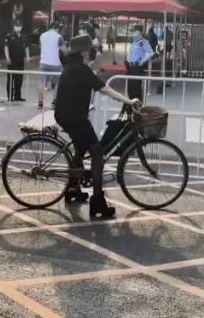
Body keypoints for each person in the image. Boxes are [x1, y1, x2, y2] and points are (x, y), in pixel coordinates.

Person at [55, 34, 140, 221]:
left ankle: (73, 189)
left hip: (65, 115)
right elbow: (105, 89)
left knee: (80, 149)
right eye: (89, 49)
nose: (91, 51)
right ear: (84, 52)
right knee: (97, 153)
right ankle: (98, 201)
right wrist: (128, 101)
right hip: (75, 118)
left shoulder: (72, 66)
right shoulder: (81, 70)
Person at [37, 23, 65, 109]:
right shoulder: (59, 37)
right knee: (58, 83)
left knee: (41, 83)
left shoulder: (42, 36)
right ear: (57, 29)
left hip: (43, 63)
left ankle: (40, 103)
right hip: (55, 64)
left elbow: (42, 46)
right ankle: (54, 102)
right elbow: (65, 50)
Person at [125, 25, 155, 102]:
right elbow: (131, 54)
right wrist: (127, 60)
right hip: (130, 67)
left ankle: (138, 105)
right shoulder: (133, 42)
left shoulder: (143, 42)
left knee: (136, 89)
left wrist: (143, 60)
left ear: (140, 32)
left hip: (136, 67)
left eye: (135, 31)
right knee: (130, 89)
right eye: (133, 31)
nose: (133, 33)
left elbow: (151, 52)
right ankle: (131, 105)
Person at [3, 21, 27, 102]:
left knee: (19, 79)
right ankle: (10, 96)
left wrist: (27, 56)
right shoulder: (9, 36)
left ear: (22, 26)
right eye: (16, 25)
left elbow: (25, 47)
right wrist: (7, 57)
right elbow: (6, 47)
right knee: (11, 78)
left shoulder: (23, 36)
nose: (18, 27)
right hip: (12, 61)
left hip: (20, 61)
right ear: (14, 27)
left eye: (19, 25)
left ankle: (17, 96)